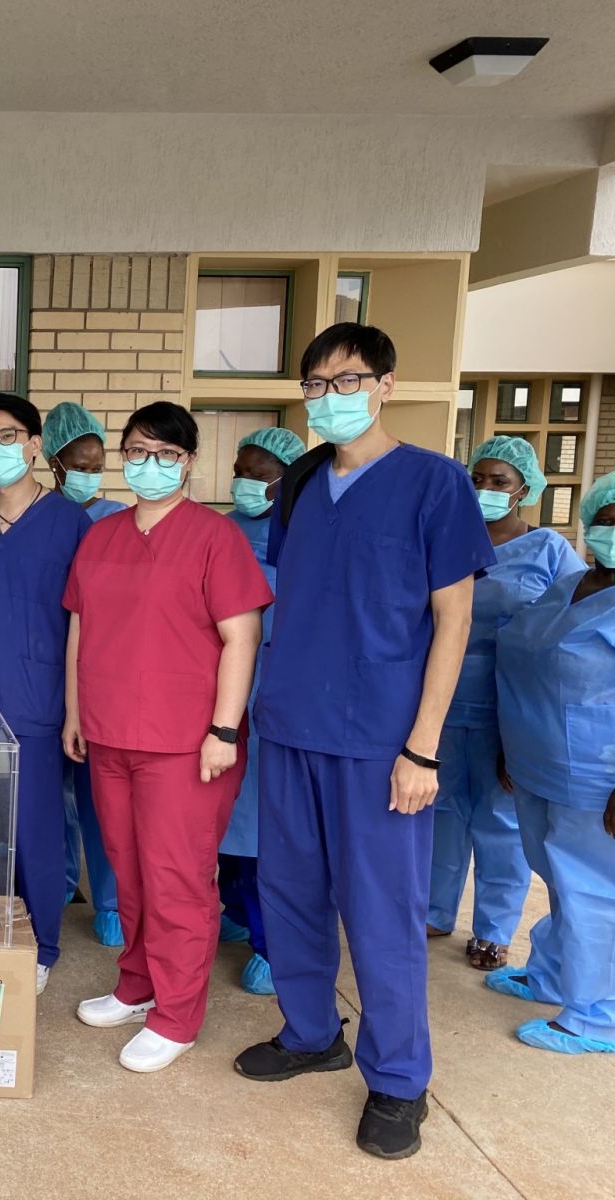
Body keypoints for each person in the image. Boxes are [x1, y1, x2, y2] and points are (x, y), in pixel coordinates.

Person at [234, 324, 494, 1161]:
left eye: (346, 380)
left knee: (382, 915)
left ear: (386, 384)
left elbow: (453, 619)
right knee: (291, 894)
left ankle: (399, 1080)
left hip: (380, 740)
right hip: (291, 725)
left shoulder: (434, 482)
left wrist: (422, 748)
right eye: (315, 384)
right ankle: (312, 1033)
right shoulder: (301, 483)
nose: (329, 397)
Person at [63, 403, 270, 1073]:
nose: (149, 464)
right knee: (126, 869)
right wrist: (75, 713)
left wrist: (224, 729)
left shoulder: (215, 537)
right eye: (137, 451)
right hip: (109, 733)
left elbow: (242, 636)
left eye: (166, 454)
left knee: (177, 878)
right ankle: (138, 984)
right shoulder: (101, 536)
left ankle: (177, 1015)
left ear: (188, 462)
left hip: (185, 742)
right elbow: (80, 629)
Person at [0, 393, 92, 994]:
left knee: (35, 830)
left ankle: (41, 945)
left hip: (38, 699)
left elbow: (87, 624)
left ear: (35, 444)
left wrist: (75, 709)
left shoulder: (71, 523)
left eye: (6, 437)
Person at [430, 436, 586, 970]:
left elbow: (570, 631)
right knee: (441, 812)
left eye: (500, 481)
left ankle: (493, 929)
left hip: (512, 709)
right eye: (477, 479)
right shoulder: (448, 540)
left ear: (524, 489)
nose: (486, 489)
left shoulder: (548, 550)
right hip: (443, 701)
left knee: (500, 821)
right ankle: (434, 911)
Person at [489, 471, 615, 1055]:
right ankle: (552, 975)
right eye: (606, 518)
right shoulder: (571, 583)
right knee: (558, 879)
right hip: (538, 759)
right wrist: (510, 746)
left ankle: (597, 1016)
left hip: (597, 773)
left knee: (594, 889)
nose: (611, 529)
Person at [219, 424, 308, 996]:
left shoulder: (306, 535)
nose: (246, 482)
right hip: (221, 694)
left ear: (287, 480)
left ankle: (273, 945)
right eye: (240, 472)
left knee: (263, 830)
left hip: (279, 697)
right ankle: (232, 909)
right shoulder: (222, 530)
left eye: (260, 474)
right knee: (222, 818)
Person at [44, 401, 127, 947]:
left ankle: (112, 902)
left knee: (101, 798)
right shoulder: (38, 515)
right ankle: (59, 884)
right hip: (45, 671)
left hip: (103, 675)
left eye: (97, 465)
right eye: (79, 464)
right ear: (53, 462)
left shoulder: (119, 521)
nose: (89, 474)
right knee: (52, 796)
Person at [44, 401, 130, 520]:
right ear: (55, 464)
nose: (89, 477)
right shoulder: (37, 513)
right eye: (80, 468)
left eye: (96, 470)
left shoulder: (115, 515)